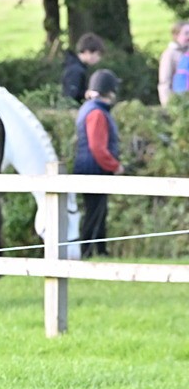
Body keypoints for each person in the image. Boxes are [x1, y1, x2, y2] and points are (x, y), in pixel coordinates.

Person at [73, 69, 124, 258]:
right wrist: (114, 165)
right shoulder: (97, 113)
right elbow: (98, 147)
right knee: (94, 213)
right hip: (94, 169)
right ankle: (87, 252)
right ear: (108, 90)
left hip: (89, 167)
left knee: (98, 212)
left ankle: (100, 251)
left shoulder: (89, 108)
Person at [61, 33, 105, 102]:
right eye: (98, 54)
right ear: (87, 52)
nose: (98, 58)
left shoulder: (78, 67)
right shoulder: (75, 70)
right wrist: (87, 94)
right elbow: (70, 96)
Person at [157, 21, 189, 107]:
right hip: (178, 101)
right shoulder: (169, 54)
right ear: (176, 35)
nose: (188, 36)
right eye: (186, 33)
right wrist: (167, 105)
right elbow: (164, 82)